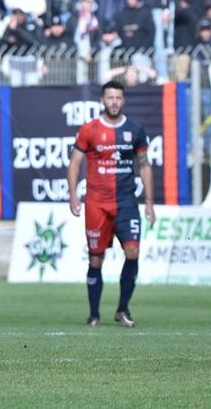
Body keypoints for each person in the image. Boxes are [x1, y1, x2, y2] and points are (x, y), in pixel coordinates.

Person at [67, 80, 155, 328]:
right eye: (110, 97)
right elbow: (74, 164)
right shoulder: (89, 130)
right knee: (96, 260)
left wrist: (149, 202)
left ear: (123, 100)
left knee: (133, 252)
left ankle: (122, 309)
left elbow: (144, 165)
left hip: (127, 202)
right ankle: (94, 314)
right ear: (103, 100)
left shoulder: (135, 130)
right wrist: (73, 195)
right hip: (97, 203)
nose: (114, 102)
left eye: (118, 97)